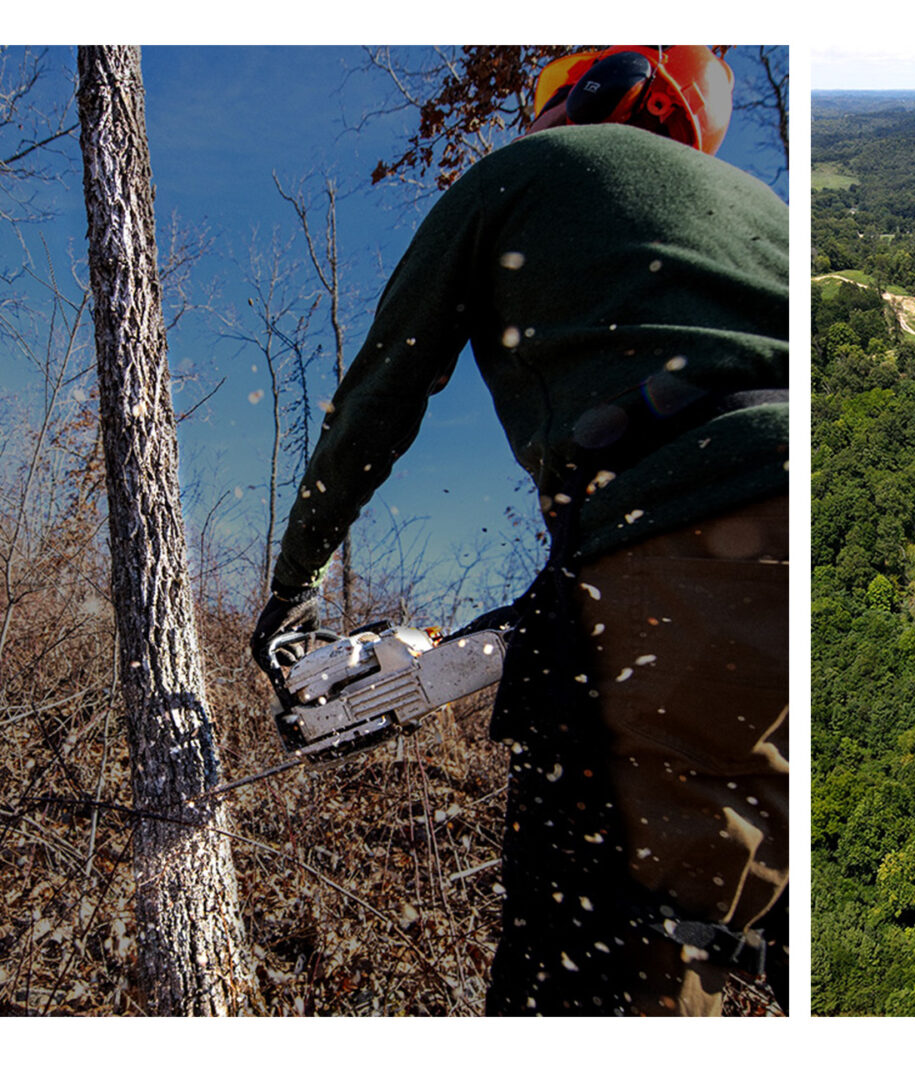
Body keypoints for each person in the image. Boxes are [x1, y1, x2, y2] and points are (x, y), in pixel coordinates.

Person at [249, 46, 789, 1016]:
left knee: (610, 948)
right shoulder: (769, 217)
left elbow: (382, 389)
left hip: (684, 557)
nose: (530, 125)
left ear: (601, 91)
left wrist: (288, 591)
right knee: (759, 916)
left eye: (543, 106)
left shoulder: (523, 175)